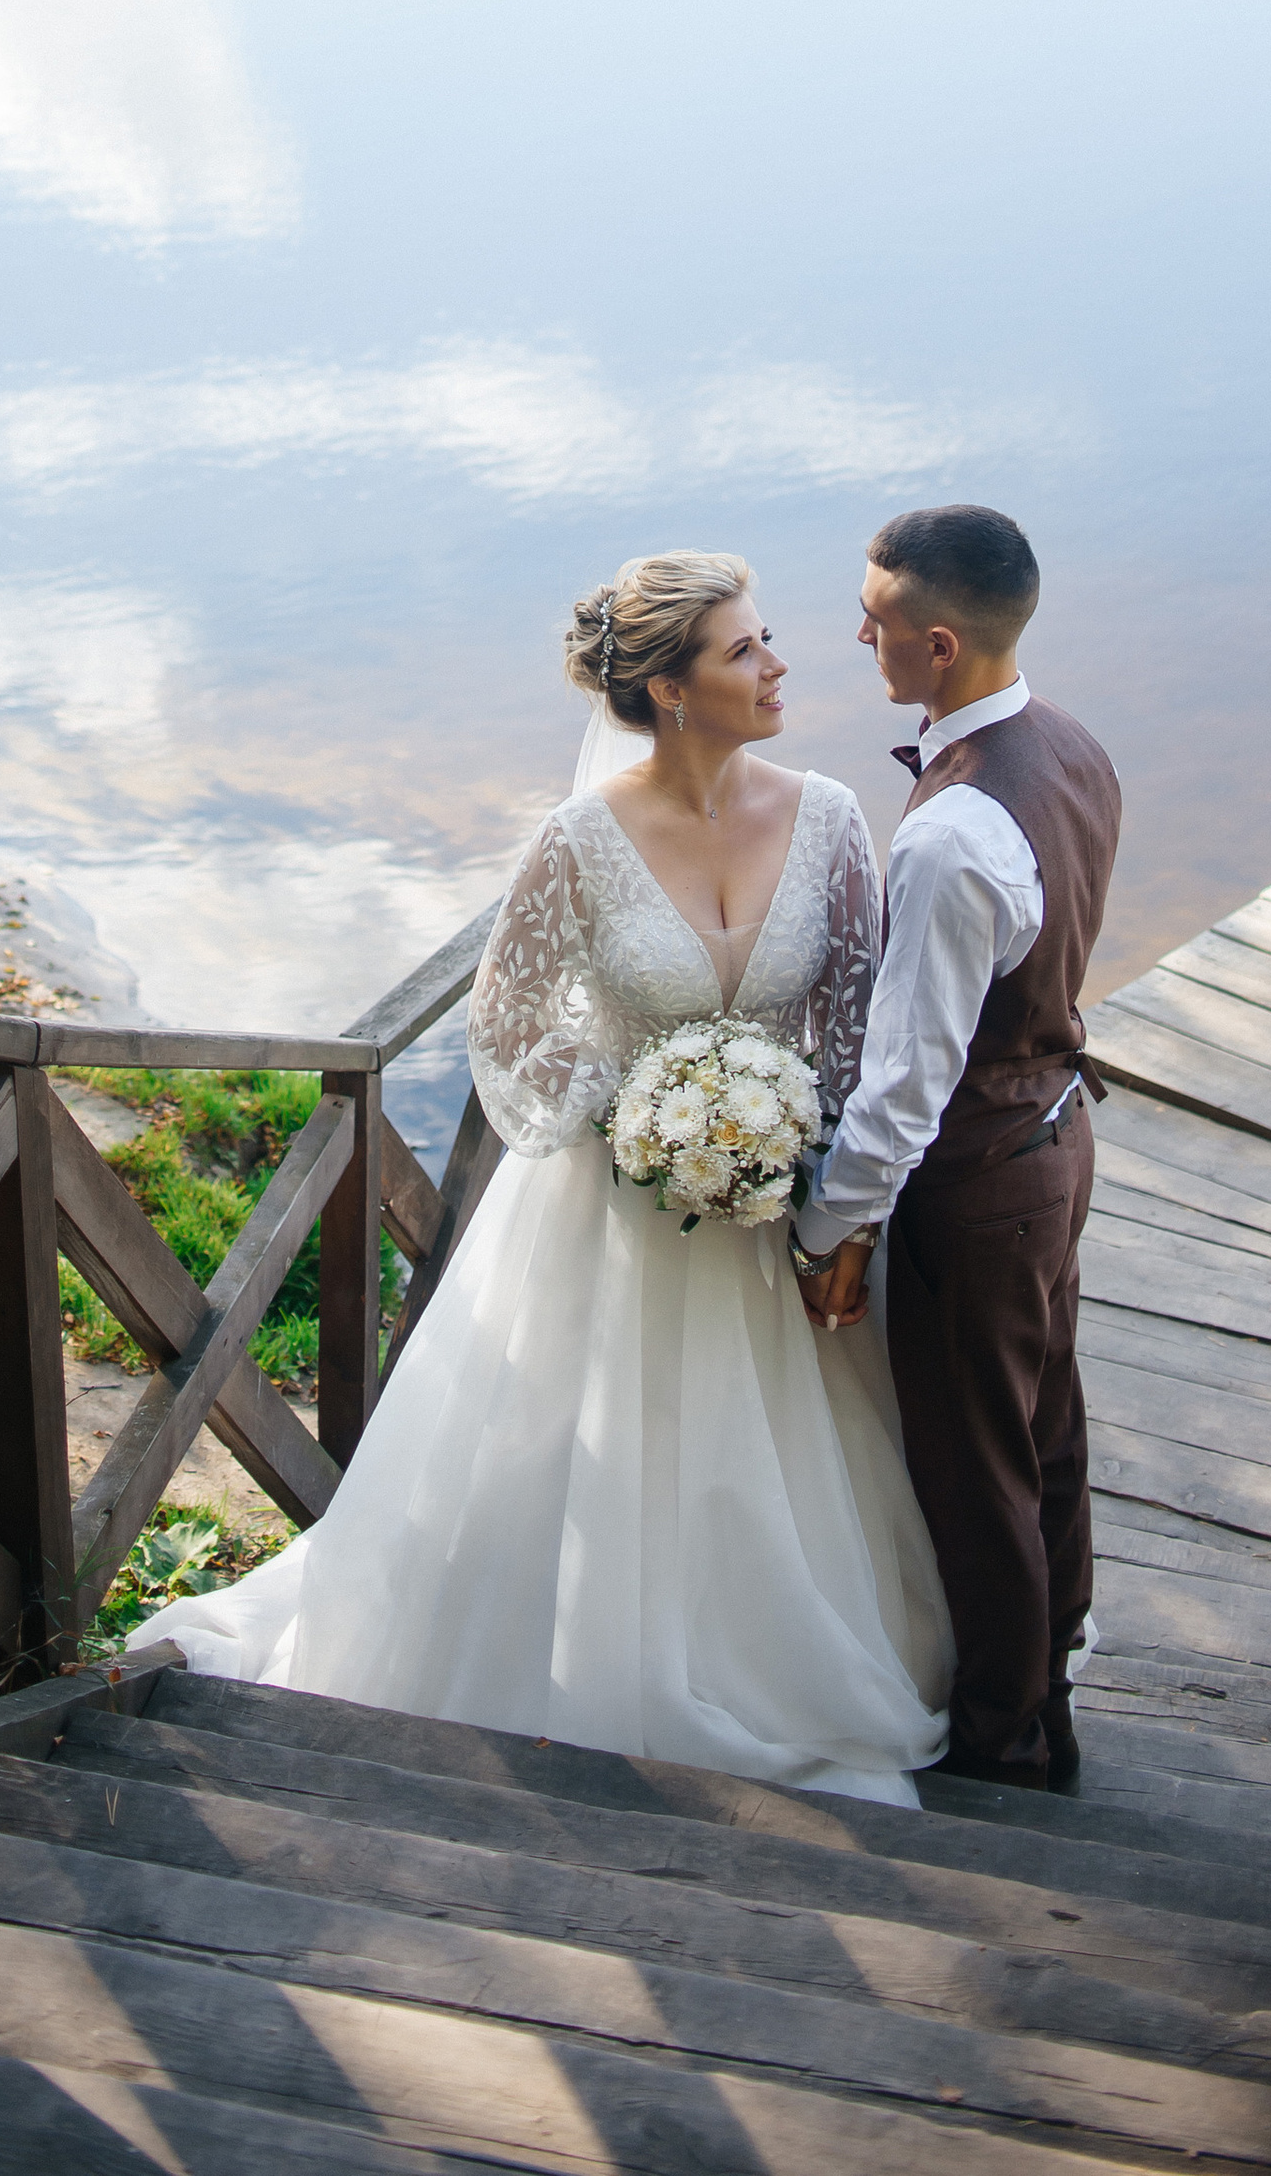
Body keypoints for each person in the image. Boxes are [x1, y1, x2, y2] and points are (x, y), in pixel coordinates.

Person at [134, 548, 952, 1802]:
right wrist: (639, 1120)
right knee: (600, 1444)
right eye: (744, 649)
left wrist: (795, 1158)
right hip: (609, 1212)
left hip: (772, 1209)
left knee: (776, 1457)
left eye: (768, 637)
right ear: (672, 691)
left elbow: (854, 1019)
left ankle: (764, 1654)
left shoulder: (832, 817)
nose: (780, 663)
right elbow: (507, 1027)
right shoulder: (578, 840)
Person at [791, 505, 1120, 1795]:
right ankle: (1053, 1682)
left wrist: (836, 1229)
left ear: (936, 644)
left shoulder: (948, 832)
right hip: (1057, 1138)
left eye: (871, 619)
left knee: (975, 1469)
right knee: (1045, 1433)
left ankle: (1004, 1743)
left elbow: (905, 1082)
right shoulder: (1072, 744)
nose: (853, 634)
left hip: (978, 1182)